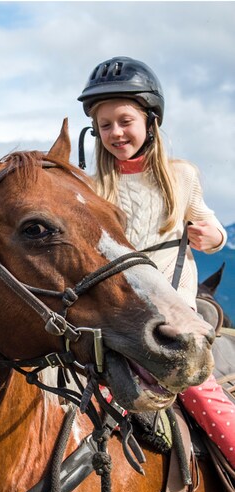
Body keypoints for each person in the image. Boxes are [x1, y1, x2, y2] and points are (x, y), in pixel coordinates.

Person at [77, 56, 235, 469]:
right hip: (116, 319)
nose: (115, 132)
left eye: (124, 120)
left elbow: (213, 227)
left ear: (150, 121)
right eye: (104, 124)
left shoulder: (180, 176)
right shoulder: (94, 190)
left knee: (206, 401)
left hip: (174, 317)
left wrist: (212, 237)